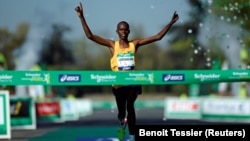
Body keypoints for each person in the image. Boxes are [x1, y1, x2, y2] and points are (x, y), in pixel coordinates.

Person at [75, 2, 179, 141]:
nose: (123, 32)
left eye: (126, 30)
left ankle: (132, 136)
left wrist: (170, 23)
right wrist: (81, 17)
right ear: (117, 31)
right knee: (122, 113)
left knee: (130, 105)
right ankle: (121, 122)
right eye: (121, 30)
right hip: (118, 84)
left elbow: (157, 37)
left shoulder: (134, 44)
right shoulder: (112, 45)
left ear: (129, 31)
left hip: (132, 81)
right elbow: (90, 36)